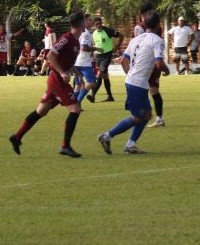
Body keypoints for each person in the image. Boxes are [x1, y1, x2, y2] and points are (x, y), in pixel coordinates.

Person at [8, 12, 86, 158]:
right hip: (57, 79)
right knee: (75, 109)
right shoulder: (66, 38)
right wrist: (62, 73)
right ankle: (65, 146)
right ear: (81, 23)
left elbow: (68, 63)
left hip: (57, 79)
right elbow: (50, 56)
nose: (87, 23)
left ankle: (17, 137)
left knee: (41, 111)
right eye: (86, 21)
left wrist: (78, 75)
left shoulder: (76, 41)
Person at [97, 10, 169, 155]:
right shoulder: (157, 40)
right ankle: (106, 136)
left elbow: (124, 60)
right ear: (158, 25)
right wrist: (166, 70)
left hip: (133, 81)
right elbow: (159, 63)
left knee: (147, 114)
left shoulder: (136, 39)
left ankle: (131, 145)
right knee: (137, 116)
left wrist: (131, 74)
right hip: (137, 83)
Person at [134, 4, 167, 128]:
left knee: (146, 89)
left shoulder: (140, 27)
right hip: (155, 61)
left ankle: (143, 116)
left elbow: (139, 44)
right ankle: (158, 118)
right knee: (153, 90)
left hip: (145, 62)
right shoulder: (158, 27)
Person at [88, 17, 124, 102]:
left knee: (99, 74)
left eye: (100, 23)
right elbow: (94, 43)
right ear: (94, 25)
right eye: (97, 24)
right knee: (105, 76)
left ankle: (92, 94)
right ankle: (110, 96)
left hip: (107, 55)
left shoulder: (108, 31)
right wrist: (93, 52)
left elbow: (121, 36)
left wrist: (117, 46)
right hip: (98, 57)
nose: (99, 25)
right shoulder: (94, 33)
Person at [73, 13, 102, 104]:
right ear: (84, 21)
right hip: (84, 62)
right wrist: (96, 49)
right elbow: (83, 47)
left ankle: (73, 104)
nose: (91, 21)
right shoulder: (86, 33)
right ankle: (77, 102)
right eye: (89, 20)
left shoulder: (82, 32)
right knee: (92, 83)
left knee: (78, 84)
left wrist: (91, 52)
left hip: (78, 61)